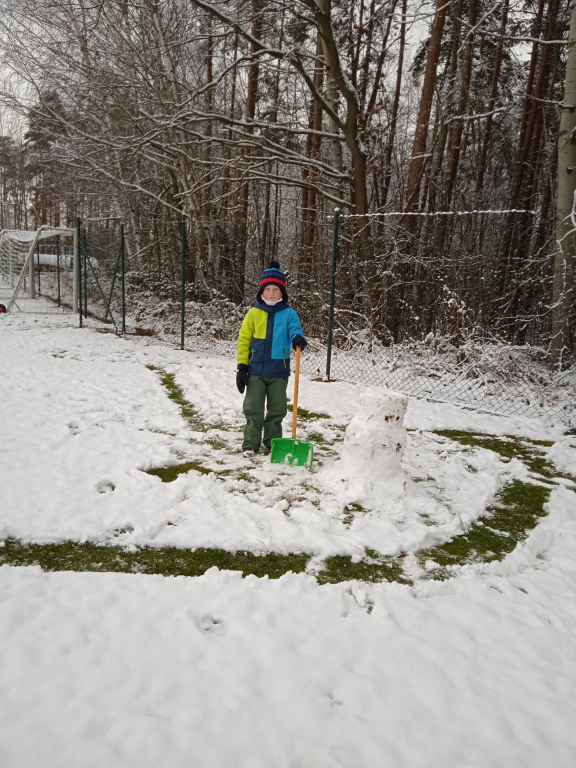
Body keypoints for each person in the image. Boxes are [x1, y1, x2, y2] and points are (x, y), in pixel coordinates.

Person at [236, 261, 307, 458]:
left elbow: (295, 330)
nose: (271, 293)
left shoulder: (289, 314)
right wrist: (242, 367)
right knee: (253, 409)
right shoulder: (253, 314)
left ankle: (272, 443)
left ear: (282, 291)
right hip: (255, 371)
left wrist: (297, 338)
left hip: (278, 371)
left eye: (276, 289)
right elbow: (244, 340)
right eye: (267, 289)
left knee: (277, 409)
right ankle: (250, 444)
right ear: (261, 291)